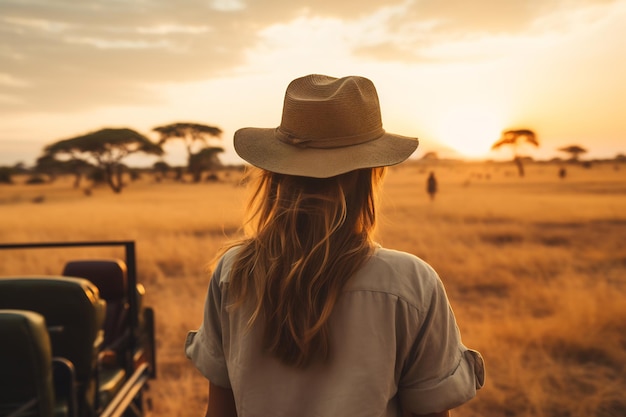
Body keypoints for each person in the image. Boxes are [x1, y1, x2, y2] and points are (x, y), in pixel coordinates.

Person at [185, 74, 485, 417]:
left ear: (277, 173)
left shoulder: (234, 271)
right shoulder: (411, 284)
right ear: (371, 174)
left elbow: (219, 413)